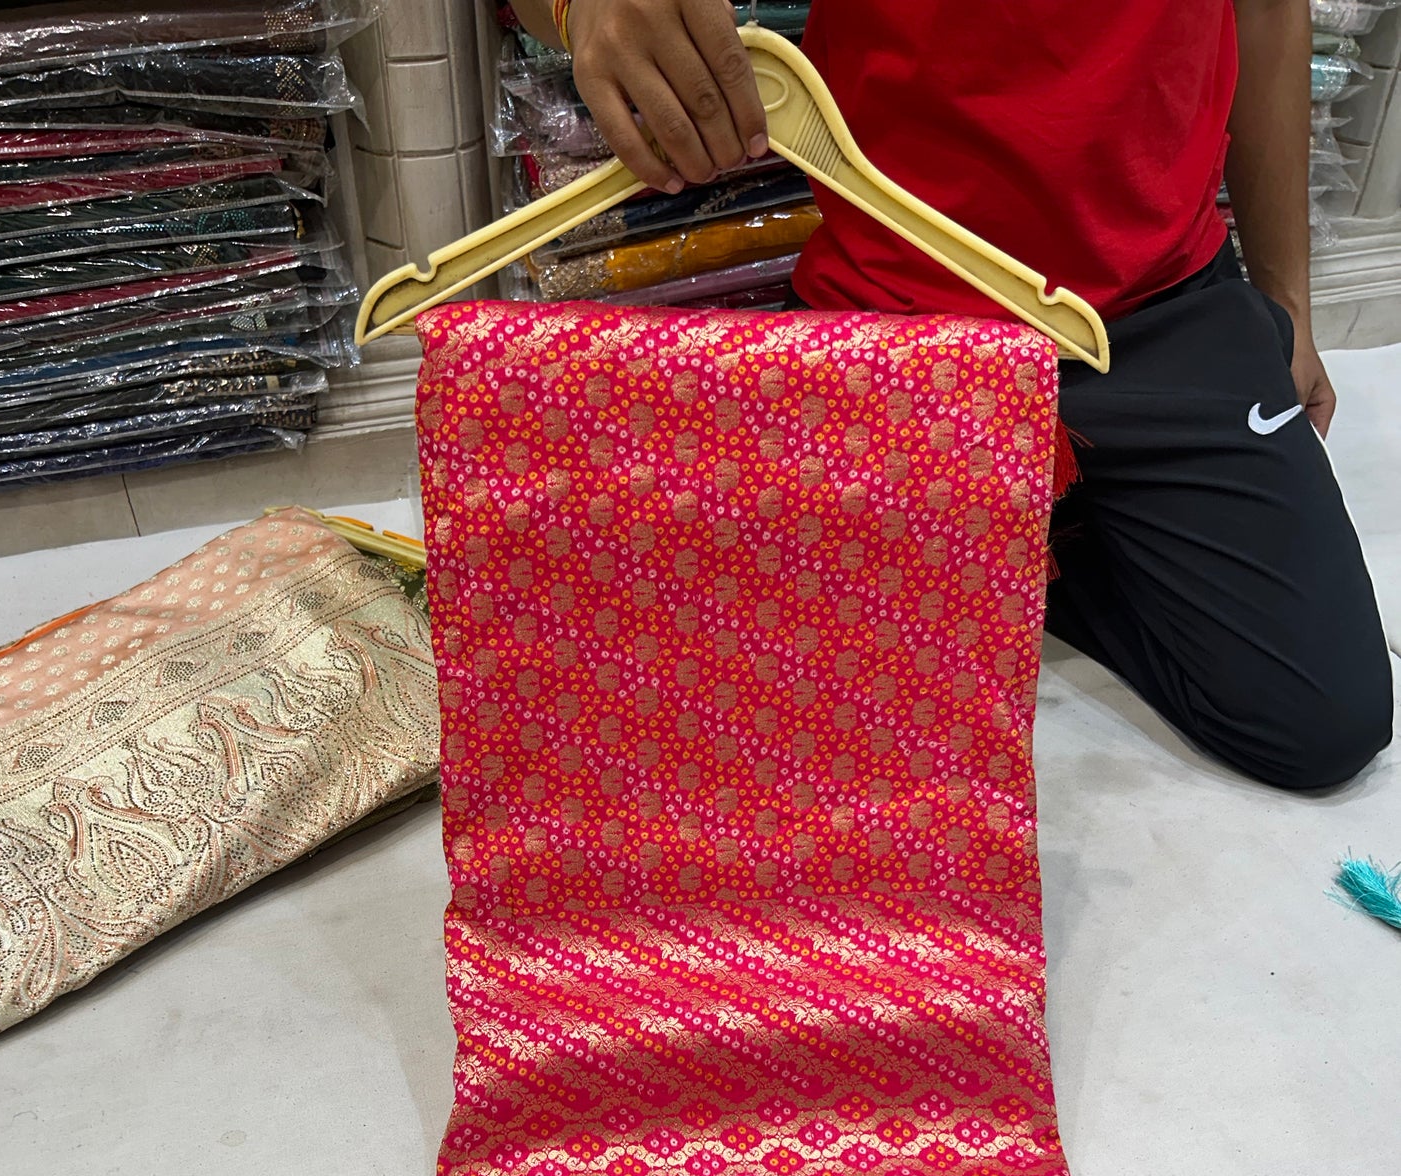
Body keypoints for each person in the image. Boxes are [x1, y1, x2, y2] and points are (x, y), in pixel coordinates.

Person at [510, 0, 1394, 790]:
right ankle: (1021, 528)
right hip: (890, 323)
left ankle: (1037, 531)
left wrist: (1287, 304)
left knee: (1322, 723)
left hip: (1163, 304)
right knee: (764, 722)